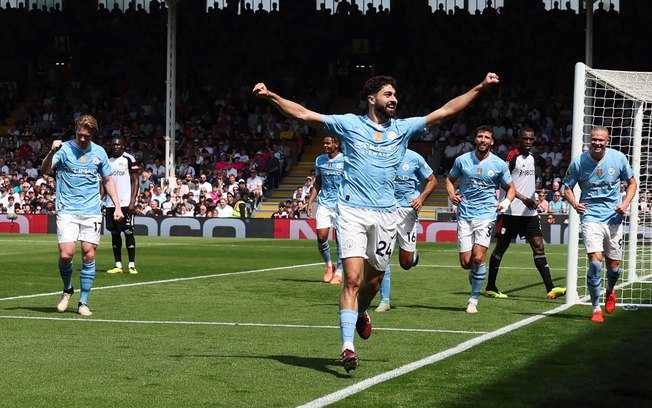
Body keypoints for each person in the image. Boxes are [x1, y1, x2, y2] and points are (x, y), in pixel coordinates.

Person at [253, 71, 499, 372]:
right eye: (388, 94)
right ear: (372, 99)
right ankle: (347, 347)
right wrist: (271, 96)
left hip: (387, 214)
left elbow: (445, 111)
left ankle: (360, 313)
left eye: (395, 95)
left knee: (373, 281)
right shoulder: (349, 124)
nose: (394, 99)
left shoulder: (403, 129)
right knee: (353, 279)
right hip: (352, 211)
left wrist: (480, 87)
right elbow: (304, 114)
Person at [40, 115, 124, 316]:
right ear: (75, 131)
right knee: (66, 254)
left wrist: (118, 207)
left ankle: (83, 302)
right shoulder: (64, 149)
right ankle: (67, 288)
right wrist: (51, 152)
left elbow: (108, 180)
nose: (83, 139)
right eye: (80, 135)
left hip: (91, 211)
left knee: (89, 253)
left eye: (86, 135)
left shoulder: (99, 152)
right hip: (67, 209)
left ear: (92, 134)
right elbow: (44, 169)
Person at [563, 126, 637, 323]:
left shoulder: (618, 158)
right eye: (594, 139)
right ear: (590, 140)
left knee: (614, 268)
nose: (597, 143)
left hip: (614, 218)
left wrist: (625, 204)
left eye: (600, 140)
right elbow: (566, 188)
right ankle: (596, 308)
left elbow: (632, 183)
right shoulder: (579, 162)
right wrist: (575, 204)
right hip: (590, 217)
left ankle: (610, 291)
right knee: (595, 264)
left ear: (607, 141)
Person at [483, 127, 566, 300]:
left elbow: (525, 182)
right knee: (501, 249)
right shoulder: (511, 157)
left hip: (529, 213)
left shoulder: (533, 159)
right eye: (525, 139)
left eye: (531, 139)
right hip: (511, 212)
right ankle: (490, 286)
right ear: (519, 140)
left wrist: (532, 198)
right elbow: (504, 182)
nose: (528, 142)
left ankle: (550, 288)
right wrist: (522, 198)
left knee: (538, 246)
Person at [445, 125, 516, 314]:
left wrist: (506, 203)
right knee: (466, 262)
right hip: (465, 214)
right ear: (475, 139)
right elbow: (449, 180)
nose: (483, 140)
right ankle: (474, 273)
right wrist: (452, 195)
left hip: (486, 214)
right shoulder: (462, 160)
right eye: (480, 136)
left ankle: (473, 300)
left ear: (492, 142)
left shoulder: (499, 164)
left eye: (487, 137)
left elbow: (511, 188)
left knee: (479, 257)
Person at [375, 149, 437, 312]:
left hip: (407, 212)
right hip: (385, 210)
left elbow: (432, 180)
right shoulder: (381, 155)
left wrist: (421, 198)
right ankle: (385, 300)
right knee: (383, 256)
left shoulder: (415, 157)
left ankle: (413, 257)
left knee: (406, 263)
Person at [306, 135, 345, 285]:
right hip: (324, 204)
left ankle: (340, 272)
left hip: (341, 205)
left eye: (328, 143)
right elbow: (318, 182)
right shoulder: (320, 160)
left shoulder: (345, 160)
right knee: (321, 237)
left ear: (336, 144)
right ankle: (329, 266)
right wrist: (310, 201)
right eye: (324, 143)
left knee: (341, 241)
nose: (325, 145)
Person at [105, 136, 140, 275]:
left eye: (118, 145)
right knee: (114, 233)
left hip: (125, 202)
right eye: (113, 145)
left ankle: (131, 265)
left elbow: (135, 181)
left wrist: (133, 201)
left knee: (128, 232)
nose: (115, 147)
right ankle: (118, 264)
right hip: (110, 203)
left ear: (123, 146)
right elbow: (105, 182)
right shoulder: (107, 161)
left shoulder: (129, 159)